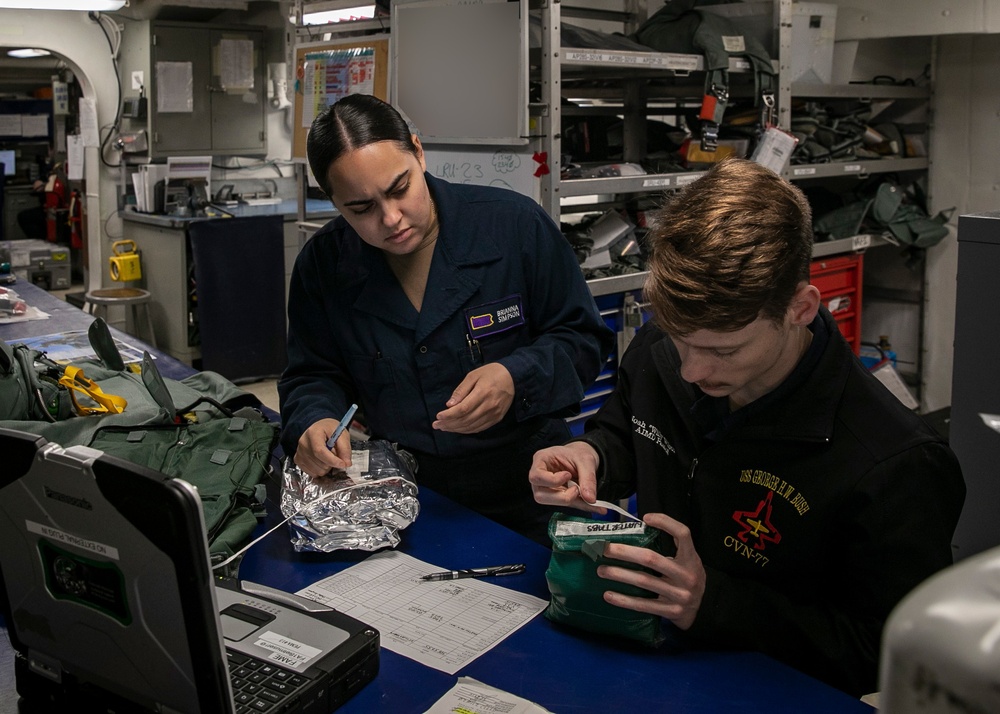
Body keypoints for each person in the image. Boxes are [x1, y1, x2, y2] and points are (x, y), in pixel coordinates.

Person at [528, 158, 965, 696]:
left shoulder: (895, 464)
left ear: (801, 308)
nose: (692, 370)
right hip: (647, 662)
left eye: (724, 349)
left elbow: (894, 654)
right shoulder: (662, 352)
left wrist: (714, 604)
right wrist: (592, 457)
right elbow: (626, 430)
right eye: (678, 338)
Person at [279, 93, 614, 544]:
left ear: (418, 151)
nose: (391, 218)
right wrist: (315, 420)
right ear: (333, 201)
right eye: (361, 208)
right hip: (402, 496)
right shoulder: (323, 266)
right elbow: (312, 373)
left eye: (400, 188)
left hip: (530, 488)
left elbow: (584, 341)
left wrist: (515, 376)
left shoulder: (514, 227)